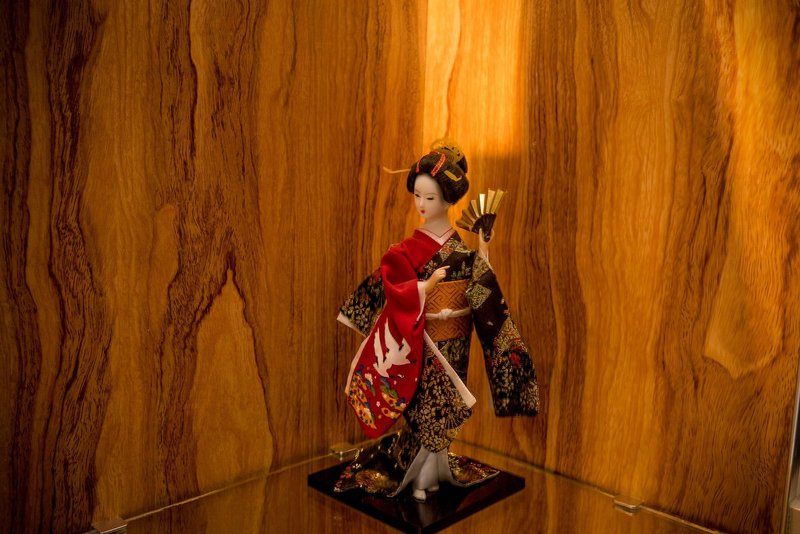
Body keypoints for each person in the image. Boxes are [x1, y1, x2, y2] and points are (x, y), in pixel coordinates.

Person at [336, 141, 539, 501]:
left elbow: (481, 288)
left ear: (448, 200)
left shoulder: (461, 252)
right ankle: (421, 478)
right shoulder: (406, 251)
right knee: (424, 410)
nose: (421, 204)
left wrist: (484, 249)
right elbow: (391, 285)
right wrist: (423, 288)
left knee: (447, 412)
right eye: (417, 196)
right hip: (422, 343)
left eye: (429, 198)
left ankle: (431, 475)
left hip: (455, 343)